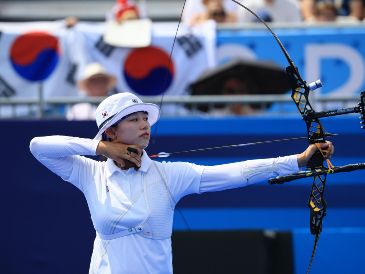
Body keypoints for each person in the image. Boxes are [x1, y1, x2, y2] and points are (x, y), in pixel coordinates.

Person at [29, 92, 334, 273]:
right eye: (133, 119)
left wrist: (300, 159)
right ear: (111, 131)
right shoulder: (90, 173)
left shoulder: (171, 175)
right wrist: (100, 149)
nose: (144, 124)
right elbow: (38, 146)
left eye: (144, 118)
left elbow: (235, 173)